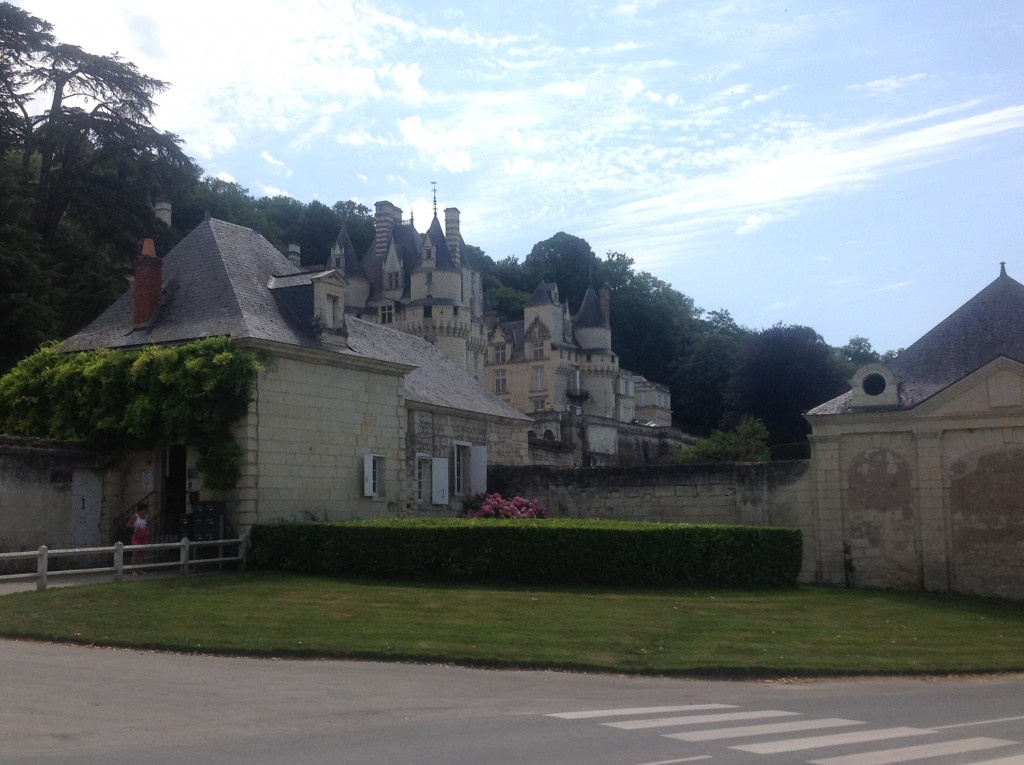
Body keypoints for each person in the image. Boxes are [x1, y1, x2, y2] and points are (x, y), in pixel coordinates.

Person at [127, 505, 151, 575]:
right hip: (137, 536)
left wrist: (148, 530)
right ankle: (133, 570)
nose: (145, 512)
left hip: (143, 536)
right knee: (135, 553)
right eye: (143, 510)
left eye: (145, 510)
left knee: (142, 554)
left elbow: (149, 524)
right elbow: (128, 524)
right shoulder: (136, 516)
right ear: (140, 510)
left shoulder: (146, 517)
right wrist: (135, 526)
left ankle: (140, 568)